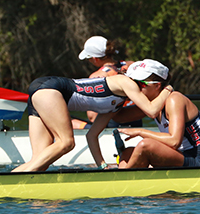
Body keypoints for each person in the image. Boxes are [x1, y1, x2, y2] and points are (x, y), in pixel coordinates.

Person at [13, 62, 174, 172]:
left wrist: (102, 166)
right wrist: (168, 90)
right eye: (140, 82)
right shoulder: (125, 82)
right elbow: (152, 110)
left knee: (39, 162)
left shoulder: (115, 104)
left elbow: (92, 135)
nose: (139, 85)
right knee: (66, 143)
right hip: (51, 90)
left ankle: (6, 183)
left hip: (42, 91)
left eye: (143, 83)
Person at [117, 60, 200, 169]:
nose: (134, 88)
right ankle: (124, 176)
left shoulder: (174, 99)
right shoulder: (151, 104)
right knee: (127, 153)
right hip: (181, 155)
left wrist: (140, 132)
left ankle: (122, 177)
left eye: (140, 84)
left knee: (145, 146)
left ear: (157, 85)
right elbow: (119, 117)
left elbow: (174, 141)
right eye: (133, 83)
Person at [78, 35, 142, 128]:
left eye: (89, 59)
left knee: (73, 123)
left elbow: (92, 117)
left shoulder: (97, 77)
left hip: (113, 124)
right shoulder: (132, 65)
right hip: (136, 120)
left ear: (95, 58)